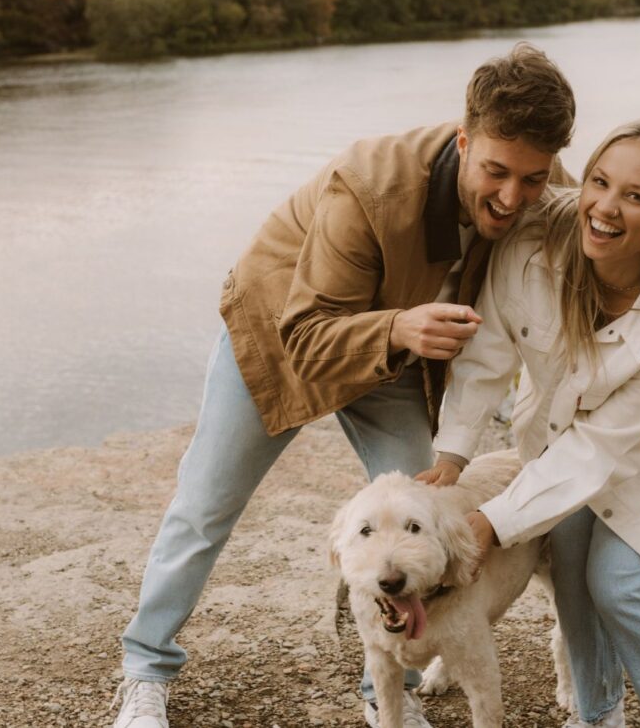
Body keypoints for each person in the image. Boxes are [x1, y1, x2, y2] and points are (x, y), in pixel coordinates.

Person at [110, 43, 576, 728]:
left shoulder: (536, 176)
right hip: (283, 334)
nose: (512, 197)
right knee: (207, 504)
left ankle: (380, 685)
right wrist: (399, 328)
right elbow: (305, 330)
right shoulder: (370, 185)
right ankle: (145, 670)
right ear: (463, 139)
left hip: (391, 357)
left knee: (423, 504)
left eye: (532, 179)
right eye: (496, 172)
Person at [419, 118, 640, 727]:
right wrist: (452, 454)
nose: (605, 208)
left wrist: (492, 520)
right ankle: (597, 715)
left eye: (636, 197)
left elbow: (597, 452)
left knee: (618, 583)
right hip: (554, 438)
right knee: (568, 568)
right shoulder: (532, 241)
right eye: (599, 182)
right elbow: (487, 358)